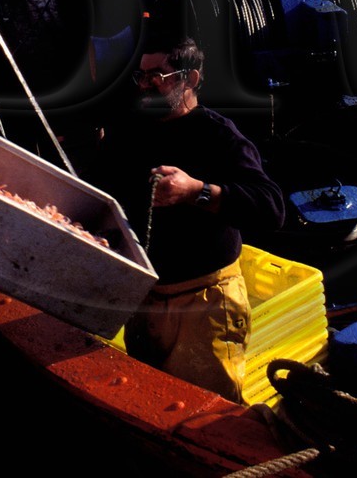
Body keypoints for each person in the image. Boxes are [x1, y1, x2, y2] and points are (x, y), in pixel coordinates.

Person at [87, 37, 285, 402]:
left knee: (204, 410)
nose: (146, 85)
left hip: (205, 304)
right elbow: (98, 190)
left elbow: (271, 208)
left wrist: (197, 191)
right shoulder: (130, 130)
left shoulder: (220, 135)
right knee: (147, 401)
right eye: (142, 76)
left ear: (190, 79)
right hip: (145, 297)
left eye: (158, 76)